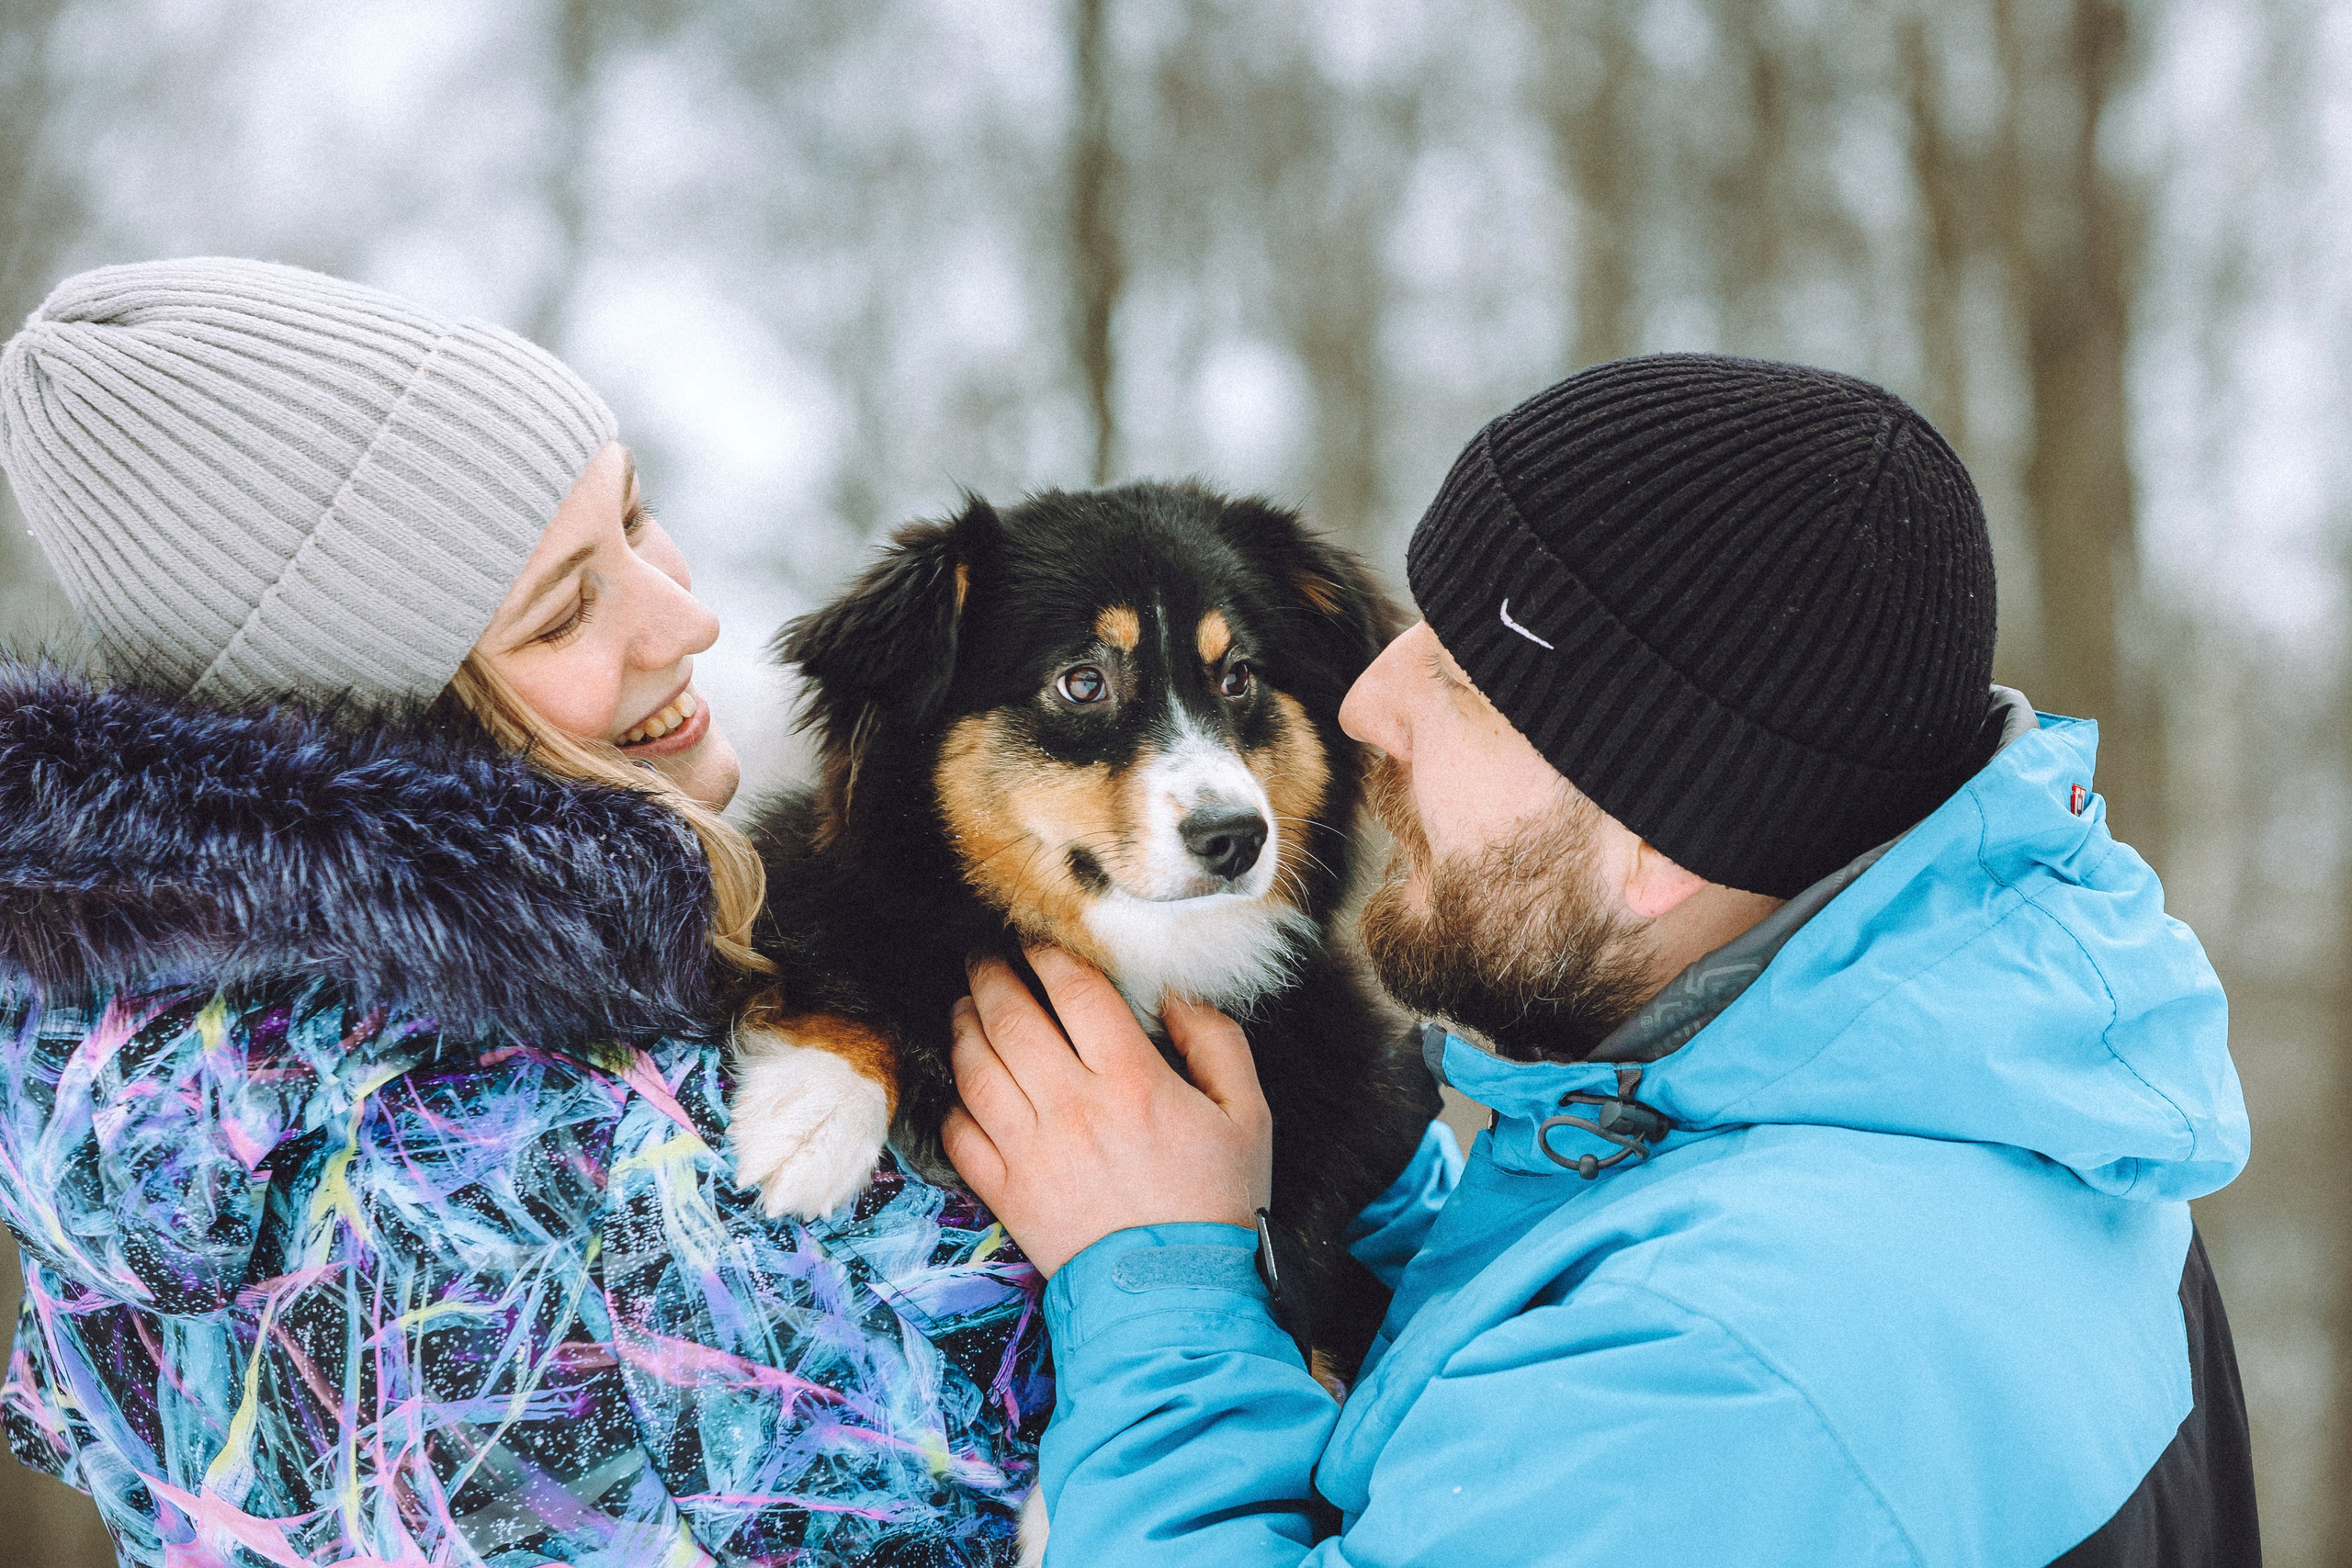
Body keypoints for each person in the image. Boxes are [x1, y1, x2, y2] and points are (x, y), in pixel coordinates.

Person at [946, 355, 2258, 1566]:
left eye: (1462, 681)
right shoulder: (1969, 1099)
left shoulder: (1739, 1376)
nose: (1360, 707)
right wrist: (1372, 1218)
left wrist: (1158, 1289)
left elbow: (1648, 1423)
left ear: (1659, 841)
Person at [0, 258, 1046, 1567]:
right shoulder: (575, 1171)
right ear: (391, 725)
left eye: (636, 518)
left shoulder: (112, 1094)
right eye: (564, 613)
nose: (689, 615)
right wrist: (1165, 1262)